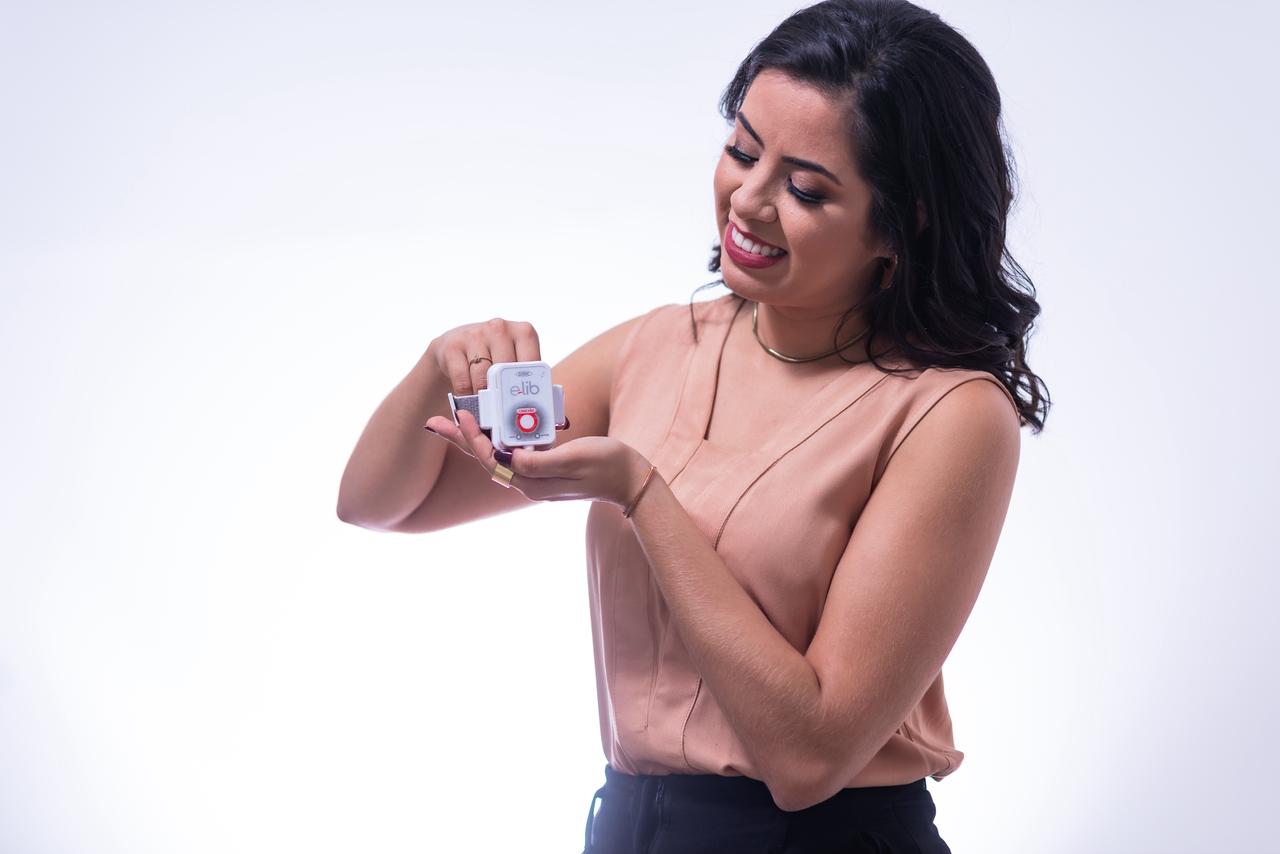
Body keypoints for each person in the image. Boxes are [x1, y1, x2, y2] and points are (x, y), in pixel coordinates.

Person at [336, 0, 1050, 850]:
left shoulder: (950, 415)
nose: (748, 200)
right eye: (742, 150)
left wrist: (642, 493)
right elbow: (381, 504)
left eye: (806, 188)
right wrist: (436, 366)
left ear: (906, 220)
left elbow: (810, 759)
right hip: (630, 826)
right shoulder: (655, 348)